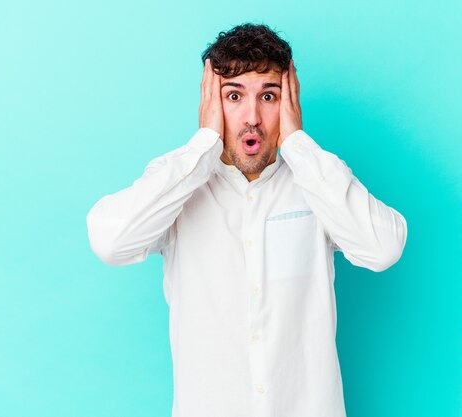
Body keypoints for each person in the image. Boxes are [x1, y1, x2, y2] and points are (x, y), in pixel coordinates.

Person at [86, 23, 408, 417]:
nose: (252, 117)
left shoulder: (317, 181)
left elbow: (384, 248)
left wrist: (297, 145)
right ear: (210, 103)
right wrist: (204, 142)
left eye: (268, 96)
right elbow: (110, 241)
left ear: (288, 104)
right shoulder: (176, 185)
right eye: (234, 96)